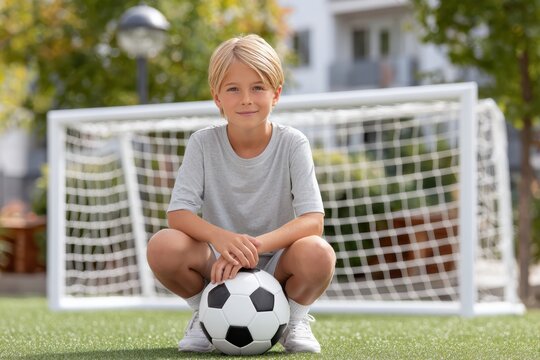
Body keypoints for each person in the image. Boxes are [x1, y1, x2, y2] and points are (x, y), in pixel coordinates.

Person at [146, 34, 336, 354]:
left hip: (278, 262)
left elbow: (312, 220)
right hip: (218, 267)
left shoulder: (293, 143)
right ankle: (205, 315)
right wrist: (223, 242)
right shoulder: (202, 144)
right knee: (163, 245)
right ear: (217, 97)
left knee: (319, 252)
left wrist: (251, 247)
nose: (246, 98)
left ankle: (293, 320)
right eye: (233, 89)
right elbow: (178, 213)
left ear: (276, 94)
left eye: (258, 87)